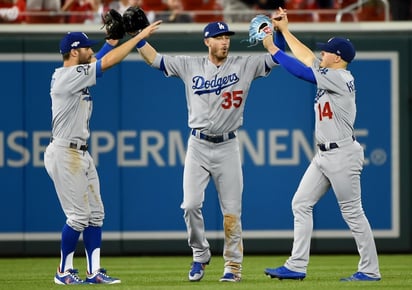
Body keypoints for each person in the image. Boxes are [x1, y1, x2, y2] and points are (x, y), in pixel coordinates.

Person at [136, 20, 284, 282]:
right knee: (190, 205)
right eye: (218, 37)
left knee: (231, 212)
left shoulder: (244, 64)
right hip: (198, 145)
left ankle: (233, 267)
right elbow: (155, 60)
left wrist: (280, 33)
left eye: (227, 37)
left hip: (228, 146)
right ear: (207, 41)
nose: (224, 41)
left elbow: (276, 59)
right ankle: (200, 254)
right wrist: (138, 37)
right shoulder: (189, 64)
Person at [262, 8, 381, 282]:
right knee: (301, 203)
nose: (322, 54)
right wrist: (284, 31)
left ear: (338, 57)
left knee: (353, 212)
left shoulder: (340, 77)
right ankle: (296, 265)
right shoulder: (331, 72)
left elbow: (303, 71)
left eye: (326, 52)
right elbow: (306, 58)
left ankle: (370, 270)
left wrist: (273, 50)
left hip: (342, 154)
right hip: (324, 155)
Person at [44, 21, 162, 285]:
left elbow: (99, 57)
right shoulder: (66, 76)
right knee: (77, 217)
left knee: (95, 215)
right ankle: (62, 272)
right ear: (74, 52)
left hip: (79, 152)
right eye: (86, 48)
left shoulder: (74, 71)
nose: (90, 51)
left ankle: (94, 272)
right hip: (64, 152)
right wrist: (139, 37)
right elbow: (106, 62)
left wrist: (112, 39)